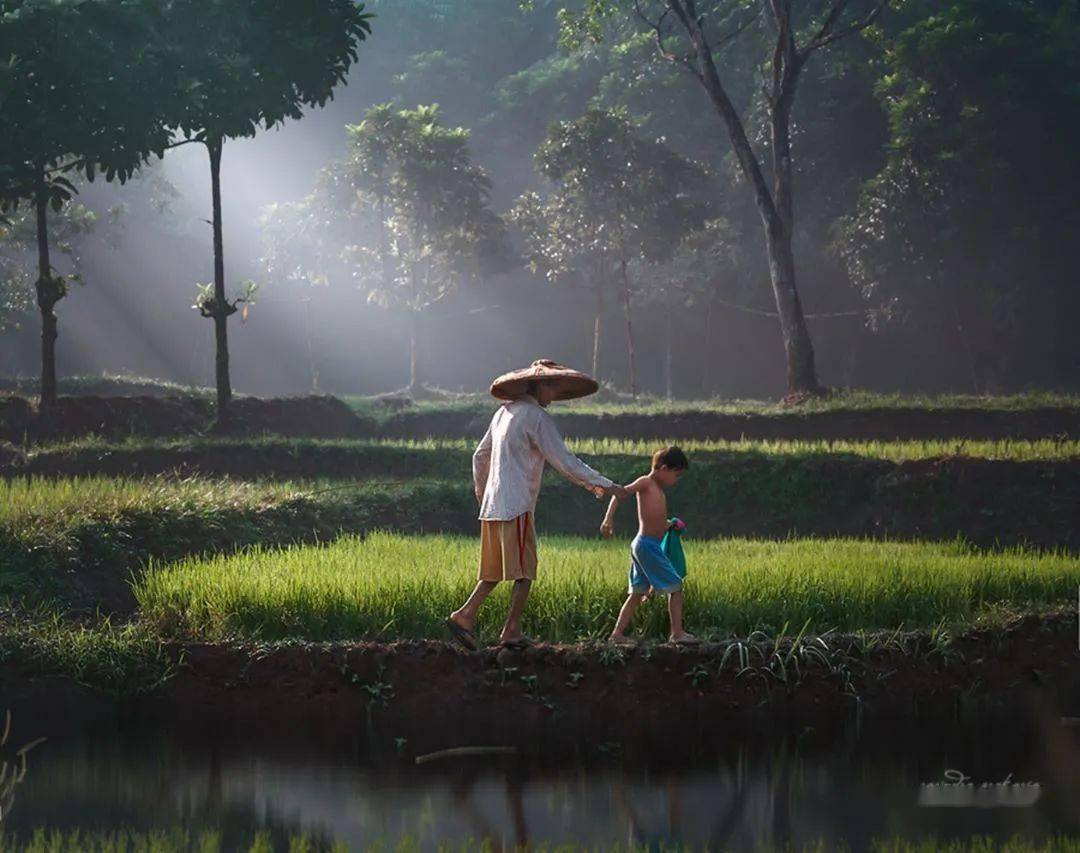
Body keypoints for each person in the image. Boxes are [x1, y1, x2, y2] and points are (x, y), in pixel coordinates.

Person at [445, 359, 629, 650]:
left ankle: (464, 615)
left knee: (495, 570)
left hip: (493, 504)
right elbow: (566, 462)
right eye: (552, 388)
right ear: (541, 385)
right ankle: (511, 630)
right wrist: (607, 485)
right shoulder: (536, 418)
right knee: (525, 571)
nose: (553, 396)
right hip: (516, 503)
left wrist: (481, 491)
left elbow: (479, 456)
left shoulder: (503, 412)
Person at [600, 445, 698, 645]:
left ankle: (616, 635)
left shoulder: (658, 491)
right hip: (646, 545)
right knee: (676, 586)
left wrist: (670, 524)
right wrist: (608, 519)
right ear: (663, 468)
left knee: (637, 593)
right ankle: (677, 633)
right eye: (676, 474)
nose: (676, 480)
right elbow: (619, 494)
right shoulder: (646, 482)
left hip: (645, 544)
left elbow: (656, 522)